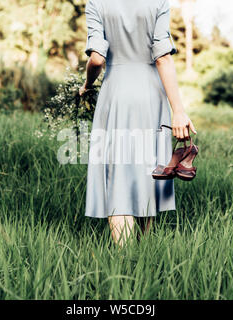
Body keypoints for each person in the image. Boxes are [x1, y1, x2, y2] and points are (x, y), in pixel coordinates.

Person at [79, 0, 197, 247]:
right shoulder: (159, 2)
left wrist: (88, 84)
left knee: (118, 176)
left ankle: (124, 263)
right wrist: (178, 110)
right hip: (150, 95)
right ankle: (143, 257)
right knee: (149, 172)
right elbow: (163, 58)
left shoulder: (96, 4)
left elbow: (97, 60)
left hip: (116, 94)